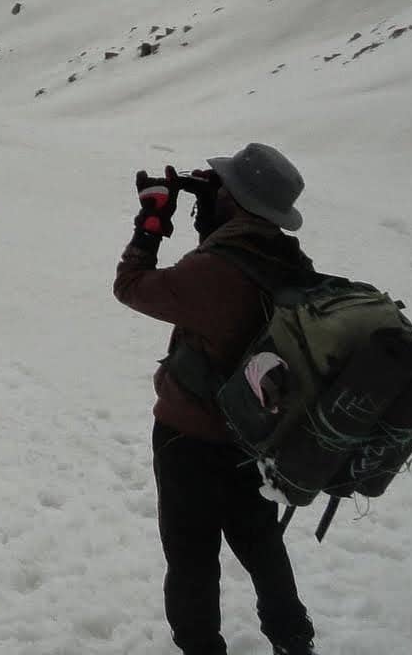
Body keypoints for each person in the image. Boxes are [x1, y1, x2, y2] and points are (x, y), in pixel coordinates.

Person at [114, 144, 317, 655]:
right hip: (253, 438)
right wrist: (216, 216)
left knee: (191, 560)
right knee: (262, 546)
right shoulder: (286, 258)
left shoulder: (215, 270)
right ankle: (294, 641)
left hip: (191, 438)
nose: (212, 188)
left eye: (221, 186)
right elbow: (233, 276)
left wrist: (151, 223)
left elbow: (132, 286)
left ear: (240, 200)